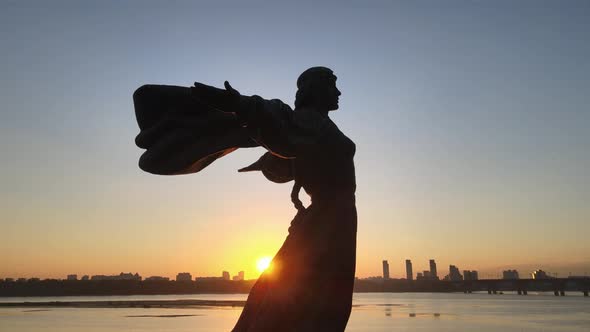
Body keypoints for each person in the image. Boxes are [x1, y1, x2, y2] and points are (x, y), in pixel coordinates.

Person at [133, 66, 357, 331]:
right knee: (312, 301)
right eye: (332, 84)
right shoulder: (309, 120)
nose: (338, 91)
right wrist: (240, 104)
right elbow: (281, 126)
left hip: (328, 221)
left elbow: (292, 148)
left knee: (302, 298)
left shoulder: (315, 123)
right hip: (327, 224)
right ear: (314, 89)